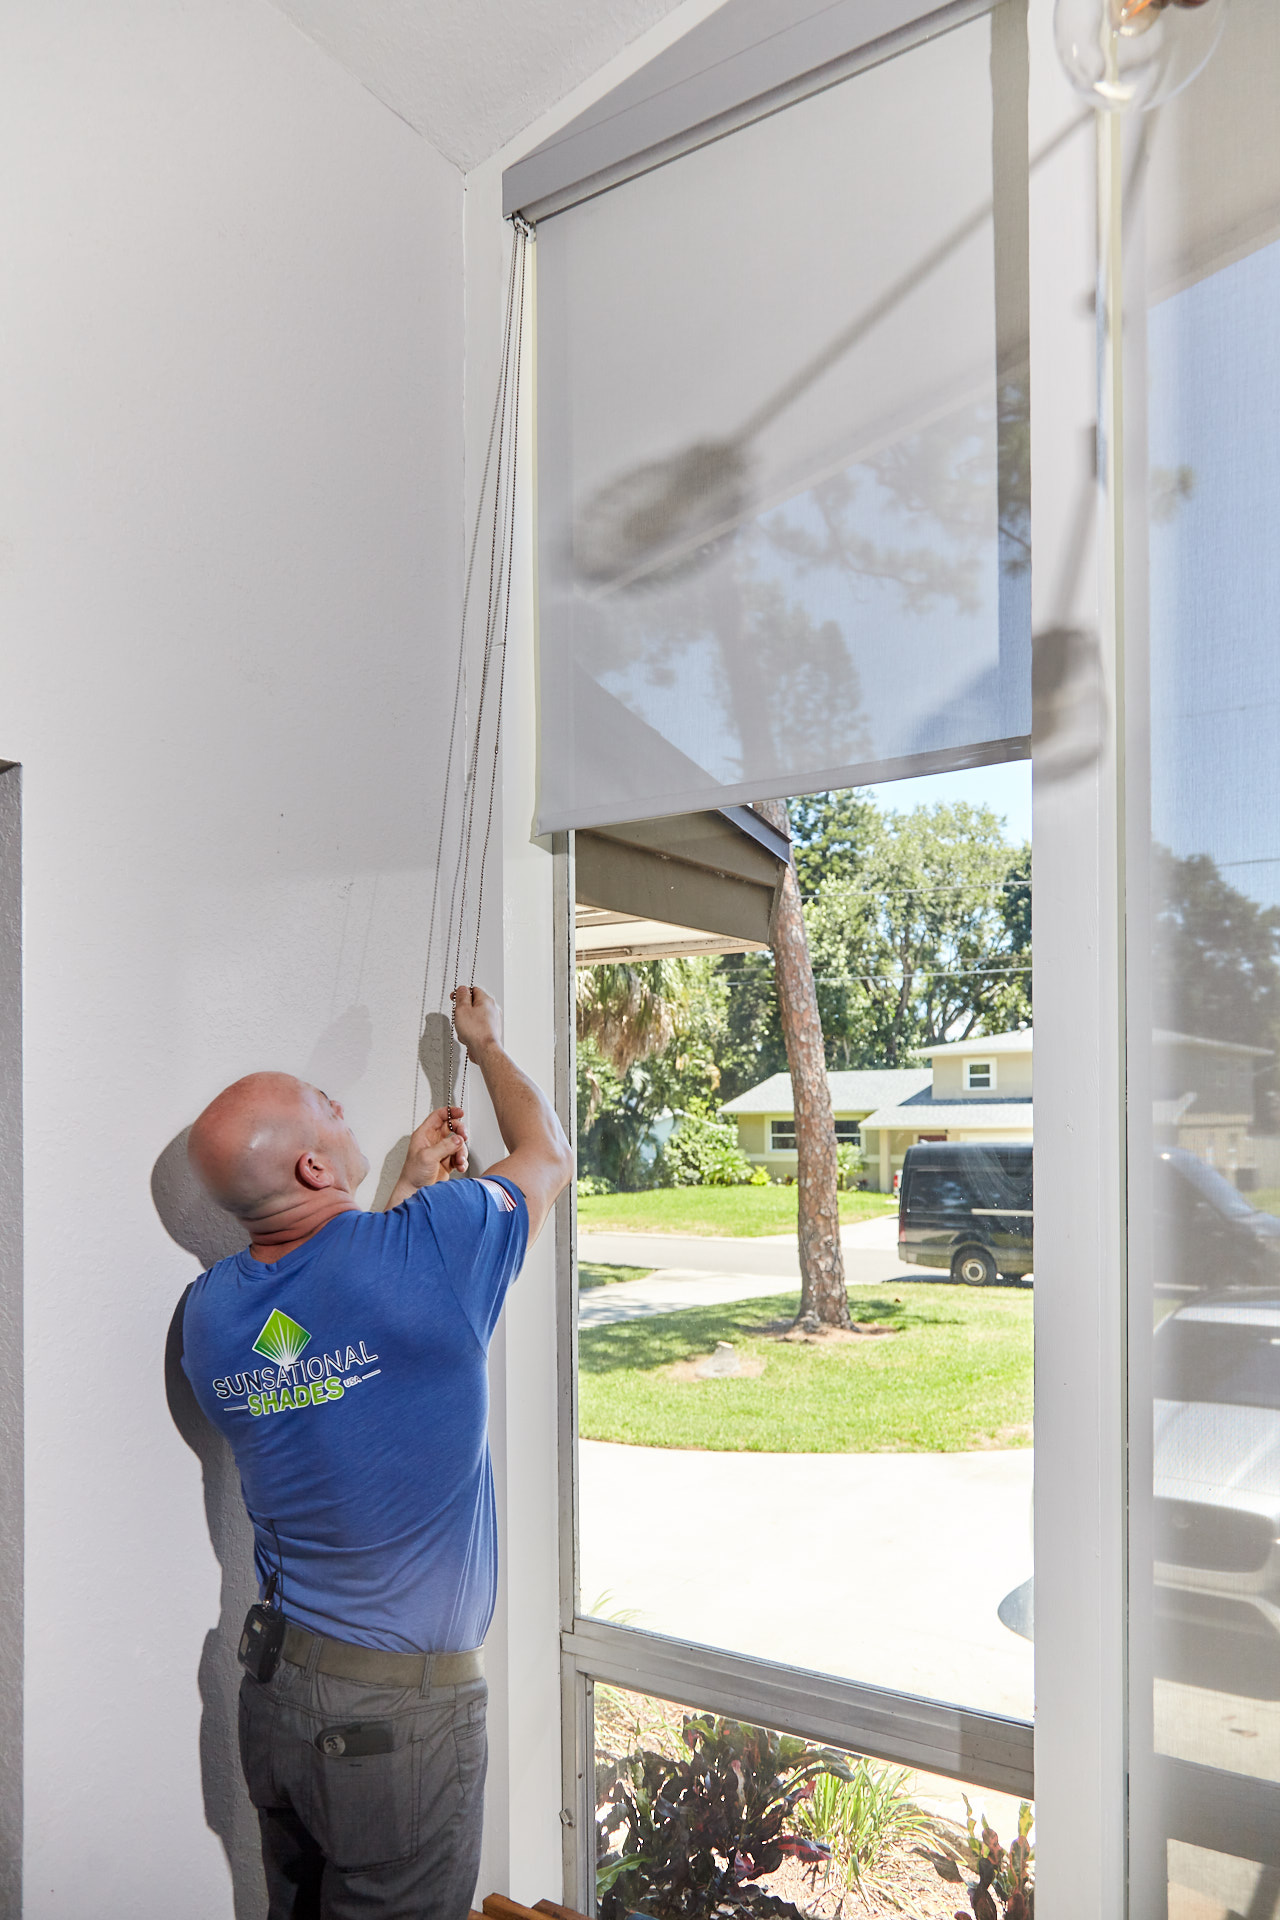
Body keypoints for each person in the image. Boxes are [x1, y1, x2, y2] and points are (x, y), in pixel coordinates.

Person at [180, 985, 573, 1920]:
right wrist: (484, 1047)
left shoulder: (210, 1317)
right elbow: (548, 1154)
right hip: (396, 1725)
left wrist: (405, 1198)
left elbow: (327, 1339)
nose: (342, 1104)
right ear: (315, 1165)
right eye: (327, 1103)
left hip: (278, 1698)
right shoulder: (430, 1252)